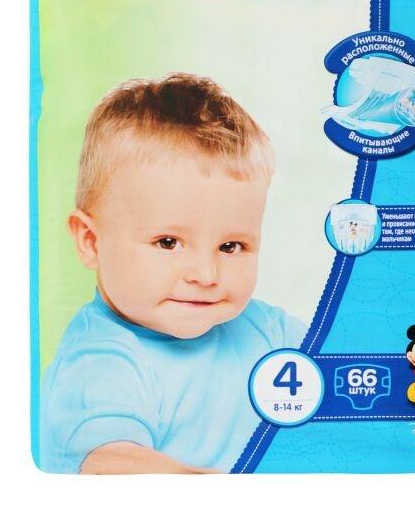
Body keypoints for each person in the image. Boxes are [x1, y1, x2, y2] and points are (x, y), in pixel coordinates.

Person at [40, 73, 306, 473]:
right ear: (91, 241)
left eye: (230, 247)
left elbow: (353, 365)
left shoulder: (267, 331)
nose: (205, 274)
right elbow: (107, 462)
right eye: (168, 243)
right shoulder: (101, 360)